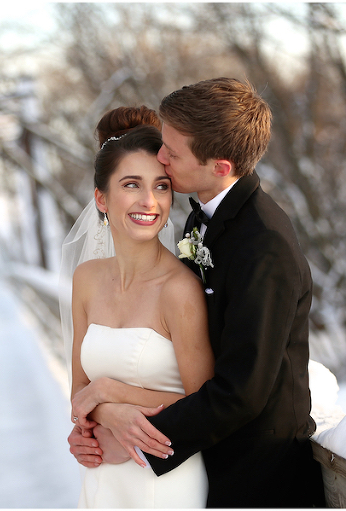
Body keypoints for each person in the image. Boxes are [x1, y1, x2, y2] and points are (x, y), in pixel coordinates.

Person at [68, 78, 326, 507]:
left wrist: (134, 442)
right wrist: (103, 415)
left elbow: (239, 392)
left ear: (220, 167)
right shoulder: (201, 223)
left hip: (258, 479)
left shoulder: (264, 246)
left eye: (172, 154)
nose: (162, 159)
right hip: (186, 462)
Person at [60, 105, 215, 507]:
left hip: (164, 480)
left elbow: (206, 403)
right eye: (131, 184)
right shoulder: (87, 280)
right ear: (102, 198)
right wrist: (92, 423)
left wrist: (109, 393)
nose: (149, 201)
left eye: (161, 186)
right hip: (101, 479)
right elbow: (80, 388)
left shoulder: (180, 289)